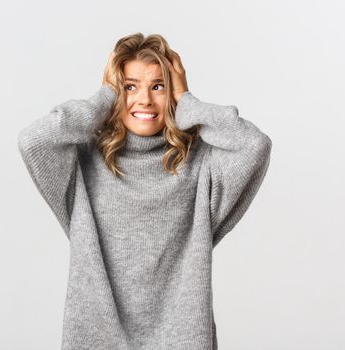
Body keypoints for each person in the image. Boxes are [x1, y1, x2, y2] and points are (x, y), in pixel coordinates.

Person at [17, 32, 272, 350]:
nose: (145, 100)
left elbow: (254, 145)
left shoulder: (200, 166)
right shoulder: (82, 163)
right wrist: (104, 99)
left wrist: (188, 101)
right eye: (130, 87)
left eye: (158, 86)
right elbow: (33, 140)